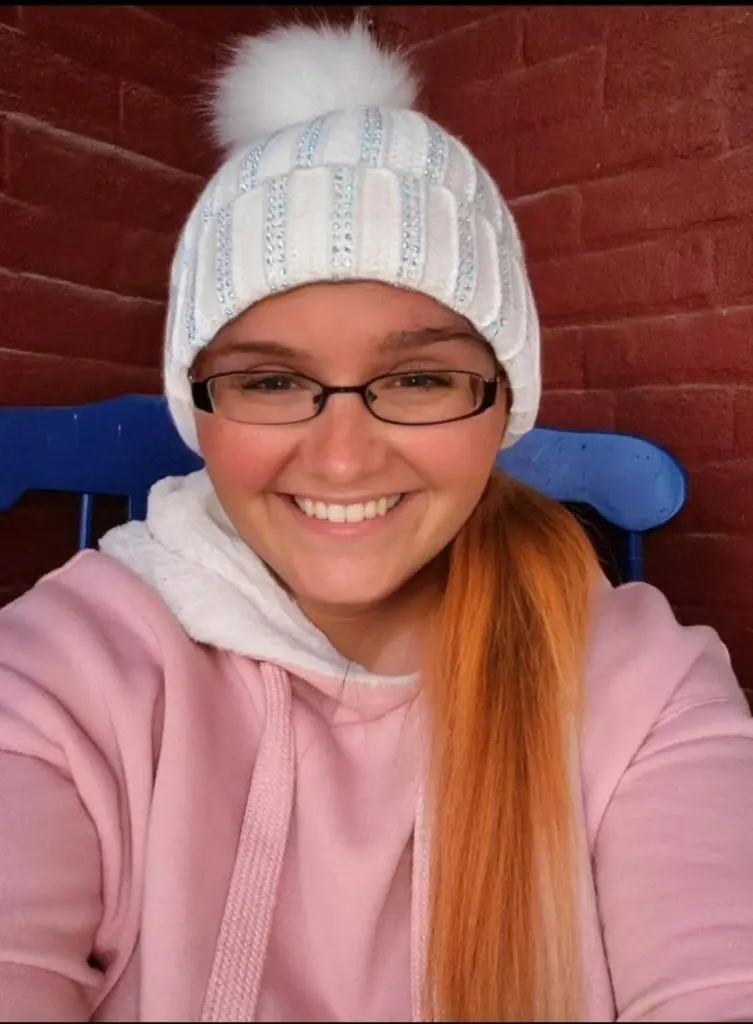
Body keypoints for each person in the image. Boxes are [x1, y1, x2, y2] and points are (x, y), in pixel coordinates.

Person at [0, 17, 752, 1023]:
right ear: (196, 404)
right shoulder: (61, 675)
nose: (344, 456)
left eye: (420, 376)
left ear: (504, 401)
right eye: (269, 379)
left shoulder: (642, 688)